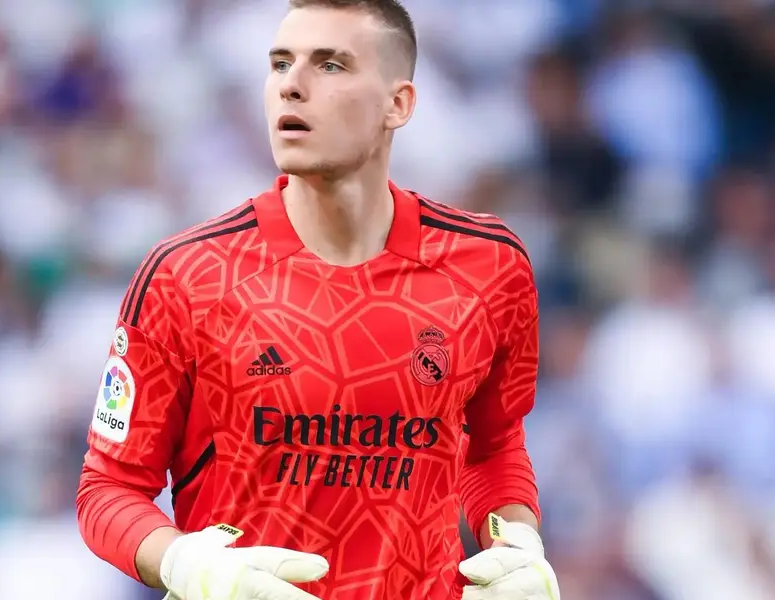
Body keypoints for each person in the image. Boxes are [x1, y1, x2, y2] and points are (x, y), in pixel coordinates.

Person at [76, 1, 560, 598]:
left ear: (398, 104)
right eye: (280, 64)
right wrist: (181, 562)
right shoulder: (186, 275)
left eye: (330, 66)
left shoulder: (489, 266)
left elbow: (494, 446)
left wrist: (518, 548)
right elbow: (107, 489)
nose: (292, 87)